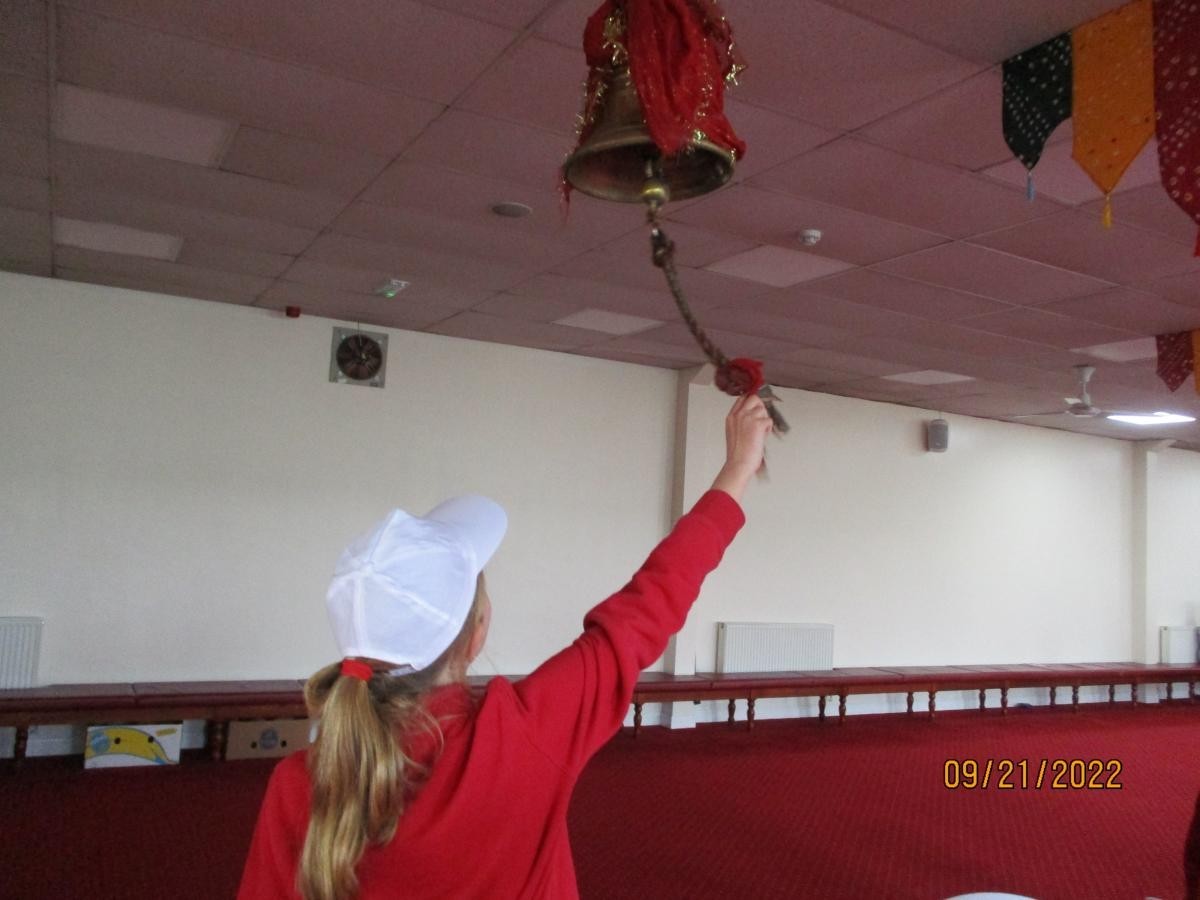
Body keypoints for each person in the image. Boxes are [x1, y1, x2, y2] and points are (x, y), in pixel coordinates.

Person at [238, 393, 773, 900]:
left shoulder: (297, 785)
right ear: (476, 636)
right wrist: (738, 468)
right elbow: (651, 600)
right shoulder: (519, 737)